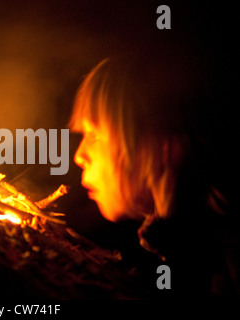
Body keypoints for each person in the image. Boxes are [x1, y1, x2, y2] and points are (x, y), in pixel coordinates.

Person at [69, 50, 239, 297]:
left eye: (94, 135)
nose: (79, 155)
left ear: (161, 144)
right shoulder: (195, 245)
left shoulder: (232, 252)